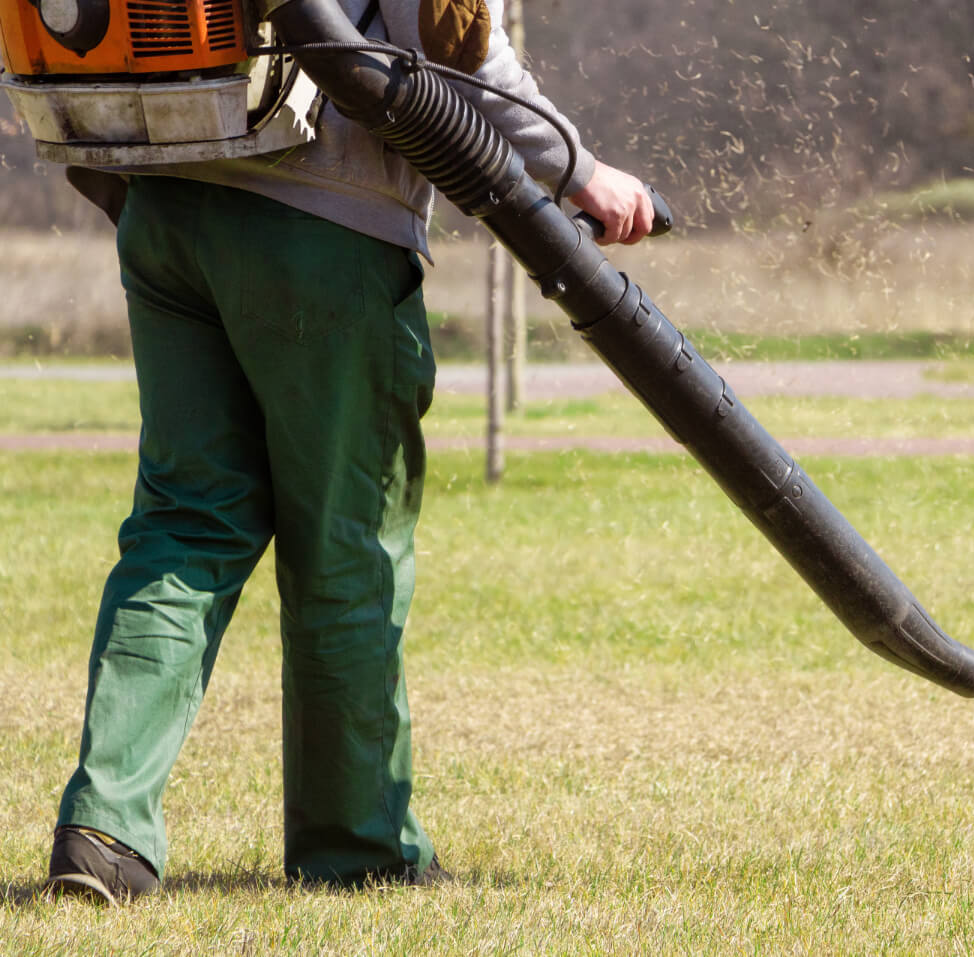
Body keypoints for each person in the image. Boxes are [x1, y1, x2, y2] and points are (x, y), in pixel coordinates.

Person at [44, 0, 653, 904]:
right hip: (321, 225)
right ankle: (357, 844)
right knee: (346, 540)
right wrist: (582, 171)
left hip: (168, 208)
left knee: (184, 522)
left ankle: (104, 832)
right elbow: (456, 49)